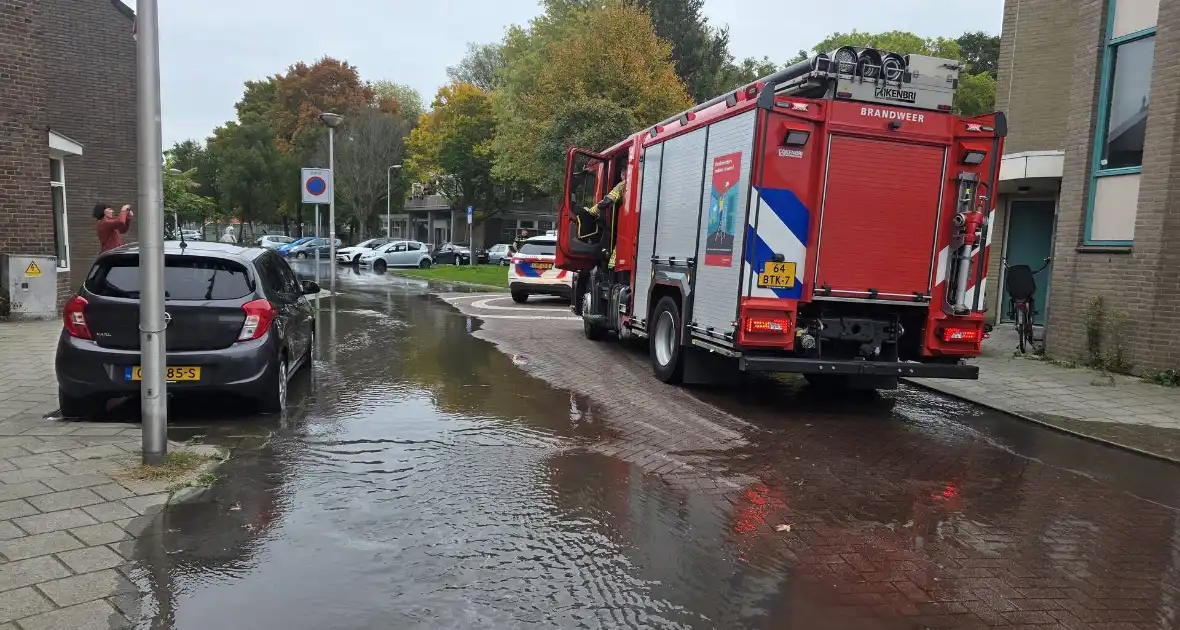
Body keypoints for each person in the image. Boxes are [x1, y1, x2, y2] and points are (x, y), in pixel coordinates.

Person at [573, 178, 625, 315]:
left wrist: (590, 212)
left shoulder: (623, 185)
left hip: (625, 234)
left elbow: (606, 202)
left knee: (614, 260)